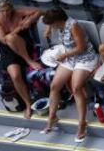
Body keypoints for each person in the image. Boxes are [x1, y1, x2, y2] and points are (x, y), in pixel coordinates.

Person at [41, 8, 98, 143]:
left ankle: (82, 123)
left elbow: (81, 48)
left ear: (58, 21)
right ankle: (52, 117)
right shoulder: (59, 23)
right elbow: (49, 16)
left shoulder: (74, 26)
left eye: (52, 24)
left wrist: (64, 55)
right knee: (54, 86)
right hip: (71, 58)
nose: (52, 27)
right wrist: (48, 28)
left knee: (76, 87)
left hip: (85, 58)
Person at [0, 0, 43, 119]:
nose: (4, 13)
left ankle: (28, 60)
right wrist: (20, 27)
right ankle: (28, 103)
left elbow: (40, 11)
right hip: (8, 50)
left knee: (12, 38)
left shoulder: (19, 13)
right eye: (1, 10)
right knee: (15, 75)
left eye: (7, 10)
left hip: (23, 45)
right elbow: (4, 39)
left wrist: (30, 20)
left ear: (11, 8)